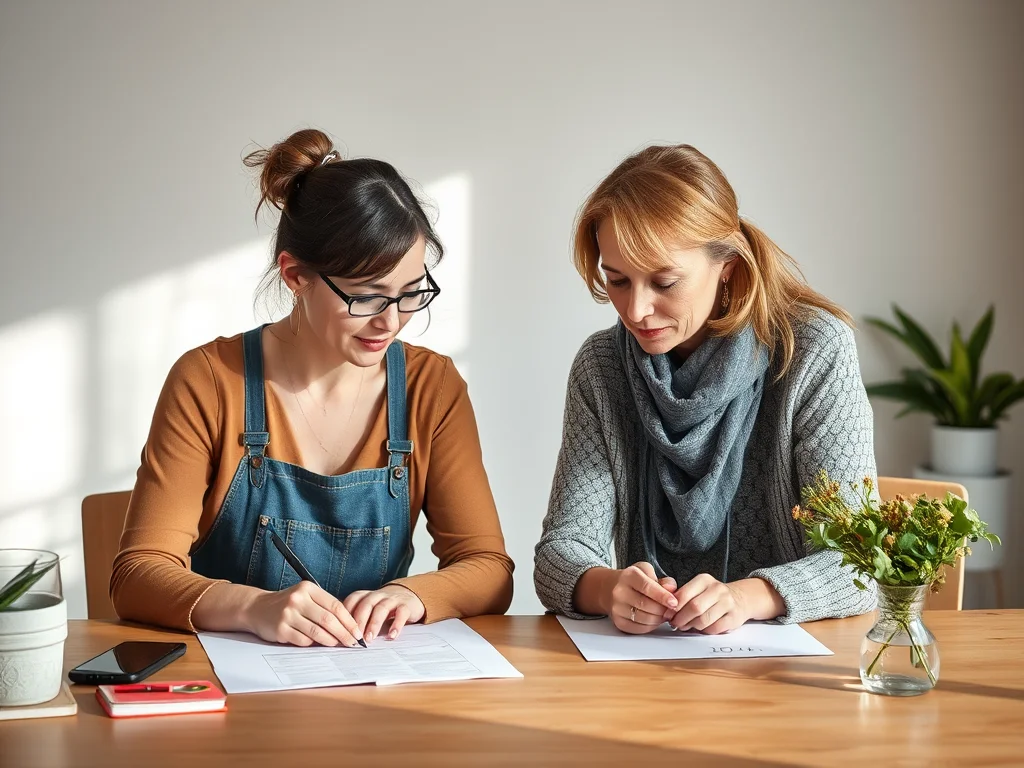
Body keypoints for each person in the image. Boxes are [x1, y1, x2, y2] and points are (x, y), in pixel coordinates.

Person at [111, 129, 513, 647]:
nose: (391, 322)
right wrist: (253, 608)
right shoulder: (209, 381)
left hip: (377, 686)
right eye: (367, 297)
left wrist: (414, 596)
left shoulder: (431, 387)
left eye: (411, 293)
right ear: (295, 276)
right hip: (233, 690)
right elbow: (138, 575)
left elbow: (488, 568)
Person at [535, 144, 877, 635]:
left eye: (665, 282)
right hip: (651, 673)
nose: (635, 311)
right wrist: (610, 587)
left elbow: (860, 562)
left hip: (795, 674)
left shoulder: (814, 351)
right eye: (618, 280)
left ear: (728, 266)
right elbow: (560, 553)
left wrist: (746, 597)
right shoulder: (602, 367)